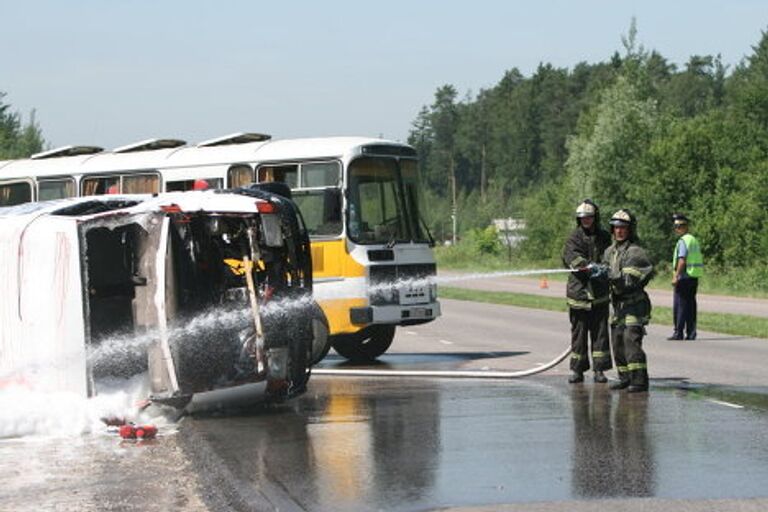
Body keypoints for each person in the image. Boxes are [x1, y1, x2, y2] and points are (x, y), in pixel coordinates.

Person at [604, 209, 654, 393]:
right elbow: (605, 273)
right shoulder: (610, 252)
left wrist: (609, 276)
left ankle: (639, 380)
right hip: (617, 306)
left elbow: (629, 281)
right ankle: (624, 377)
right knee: (617, 343)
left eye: (623, 228)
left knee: (630, 341)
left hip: (634, 304)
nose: (619, 231)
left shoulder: (636, 253)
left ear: (630, 230)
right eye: (616, 228)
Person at [562, 199, 612, 384]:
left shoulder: (605, 236)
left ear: (595, 217)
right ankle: (577, 370)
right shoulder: (574, 237)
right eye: (583, 218)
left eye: (589, 217)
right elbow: (569, 256)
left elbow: (610, 255)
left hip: (599, 294)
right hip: (579, 294)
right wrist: (586, 267)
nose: (586, 221)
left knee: (600, 334)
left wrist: (604, 269)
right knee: (579, 335)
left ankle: (600, 370)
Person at [668, 213, 703, 340]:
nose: (676, 229)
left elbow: (682, 260)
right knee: (691, 305)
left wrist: (676, 276)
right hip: (694, 276)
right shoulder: (693, 239)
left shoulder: (683, 241)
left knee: (680, 305)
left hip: (684, 277)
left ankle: (678, 332)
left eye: (677, 226)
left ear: (683, 227)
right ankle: (691, 332)